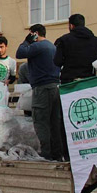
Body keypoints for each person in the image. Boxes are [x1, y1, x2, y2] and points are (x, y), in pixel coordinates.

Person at [16, 24, 63, 161]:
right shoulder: (52, 47)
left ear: (35, 34)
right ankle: (57, 154)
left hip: (42, 89)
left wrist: (27, 40)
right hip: (55, 88)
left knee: (41, 121)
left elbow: (19, 53)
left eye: (32, 34)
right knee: (54, 122)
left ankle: (46, 153)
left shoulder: (38, 46)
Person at [54, 14, 97, 84]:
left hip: (69, 82)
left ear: (71, 26)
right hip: (89, 81)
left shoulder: (63, 40)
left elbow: (57, 61)